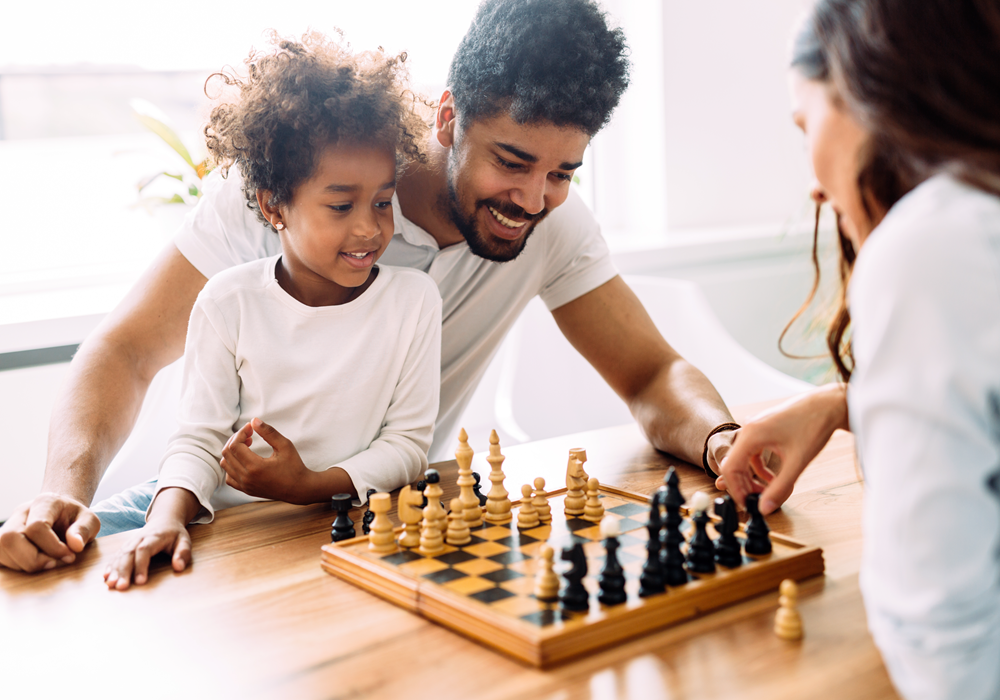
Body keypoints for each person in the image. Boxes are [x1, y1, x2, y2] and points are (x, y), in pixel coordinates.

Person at [0, 0, 738, 574]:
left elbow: (653, 372)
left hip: (370, 523)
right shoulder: (298, 182)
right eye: (512, 161)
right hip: (207, 512)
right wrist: (62, 488)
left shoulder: (553, 223)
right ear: (448, 117)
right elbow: (126, 351)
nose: (534, 199)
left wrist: (720, 439)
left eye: (563, 172)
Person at [717, 1, 1000, 698]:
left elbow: (941, 644)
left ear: (871, 93)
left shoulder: (931, 245)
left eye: (804, 124)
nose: (813, 183)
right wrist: (847, 403)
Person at [99, 33, 442, 589]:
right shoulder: (227, 301)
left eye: (383, 201)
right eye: (340, 205)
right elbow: (197, 442)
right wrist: (165, 520)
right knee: (56, 542)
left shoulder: (413, 302)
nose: (369, 227)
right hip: (205, 505)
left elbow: (406, 447)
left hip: (324, 514)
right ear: (272, 205)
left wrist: (307, 485)